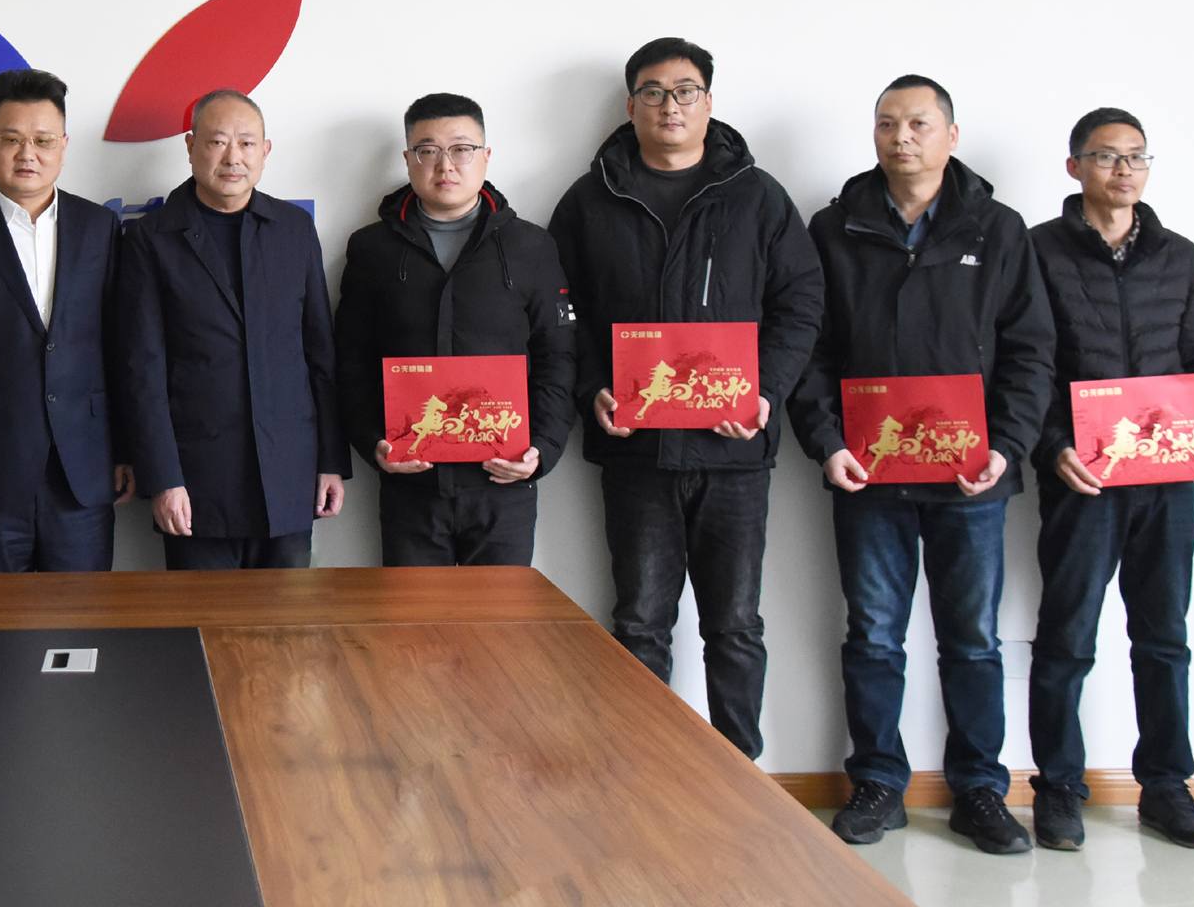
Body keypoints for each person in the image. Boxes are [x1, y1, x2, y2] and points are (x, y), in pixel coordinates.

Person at [789, 74, 1054, 855]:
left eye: (917, 123)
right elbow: (810, 350)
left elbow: (1031, 351)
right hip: (868, 476)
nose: (900, 137)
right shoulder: (833, 229)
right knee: (873, 636)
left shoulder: (998, 230)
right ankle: (877, 783)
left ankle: (979, 790)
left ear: (951, 136)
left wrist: (1005, 447)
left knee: (972, 640)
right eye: (886, 123)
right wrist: (828, 443)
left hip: (972, 479)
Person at [547, 38, 823, 760]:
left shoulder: (759, 198)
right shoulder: (589, 201)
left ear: (708, 102)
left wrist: (766, 391)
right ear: (630, 104)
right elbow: (560, 313)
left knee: (735, 625)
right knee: (640, 622)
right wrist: (590, 389)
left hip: (735, 452)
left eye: (685, 91)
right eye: (653, 92)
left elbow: (801, 303)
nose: (670, 106)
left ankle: (739, 776)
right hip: (636, 452)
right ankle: (642, 775)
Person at [1025, 108, 1194, 851]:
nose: (1123, 170)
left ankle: (1167, 787)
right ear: (1074, 167)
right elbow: (1026, 362)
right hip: (1082, 478)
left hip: (1167, 477)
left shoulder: (1179, 256)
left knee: (1163, 636)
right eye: (1106, 156)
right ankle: (1058, 789)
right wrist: (1052, 445)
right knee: (1066, 636)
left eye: (1136, 157)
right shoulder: (1037, 251)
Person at [333, 93, 575, 566]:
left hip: (502, 482)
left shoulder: (530, 246)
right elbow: (351, 358)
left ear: (486, 156)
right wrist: (372, 441)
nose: (446, 165)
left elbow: (558, 356)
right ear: (408, 159)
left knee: (500, 615)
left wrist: (542, 449)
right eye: (428, 150)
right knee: (413, 616)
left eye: (462, 149)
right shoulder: (372, 249)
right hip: (410, 485)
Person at [115, 90, 347, 568]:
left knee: (287, 616)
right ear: (191, 145)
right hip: (196, 481)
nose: (233, 157)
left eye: (246, 143)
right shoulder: (150, 238)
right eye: (218, 142)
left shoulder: (293, 229)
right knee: (203, 615)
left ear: (265, 151)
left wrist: (330, 461)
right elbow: (141, 370)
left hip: (289, 475)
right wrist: (163, 478)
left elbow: (319, 354)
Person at [0, 68, 132, 571]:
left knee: (83, 615)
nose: (27, 154)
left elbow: (120, 350)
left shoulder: (99, 228)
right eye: (11, 139)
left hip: (83, 476)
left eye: (42, 140)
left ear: (64, 146)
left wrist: (125, 449)